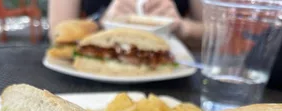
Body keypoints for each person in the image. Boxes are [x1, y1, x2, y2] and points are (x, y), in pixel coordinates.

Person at [48, 0, 203, 47]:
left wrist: (182, 27)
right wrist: (101, 23)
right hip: (90, 80)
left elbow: (219, 33)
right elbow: (57, 33)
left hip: (176, 80)